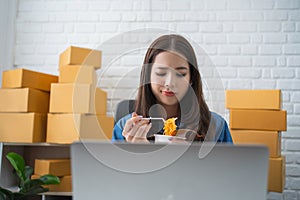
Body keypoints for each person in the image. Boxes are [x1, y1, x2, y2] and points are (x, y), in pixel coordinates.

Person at [112, 34, 232, 143]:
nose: (169, 83)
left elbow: (231, 167)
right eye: (161, 73)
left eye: (180, 74)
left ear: (191, 79)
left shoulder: (216, 126)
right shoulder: (124, 128)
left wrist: (189, 159)